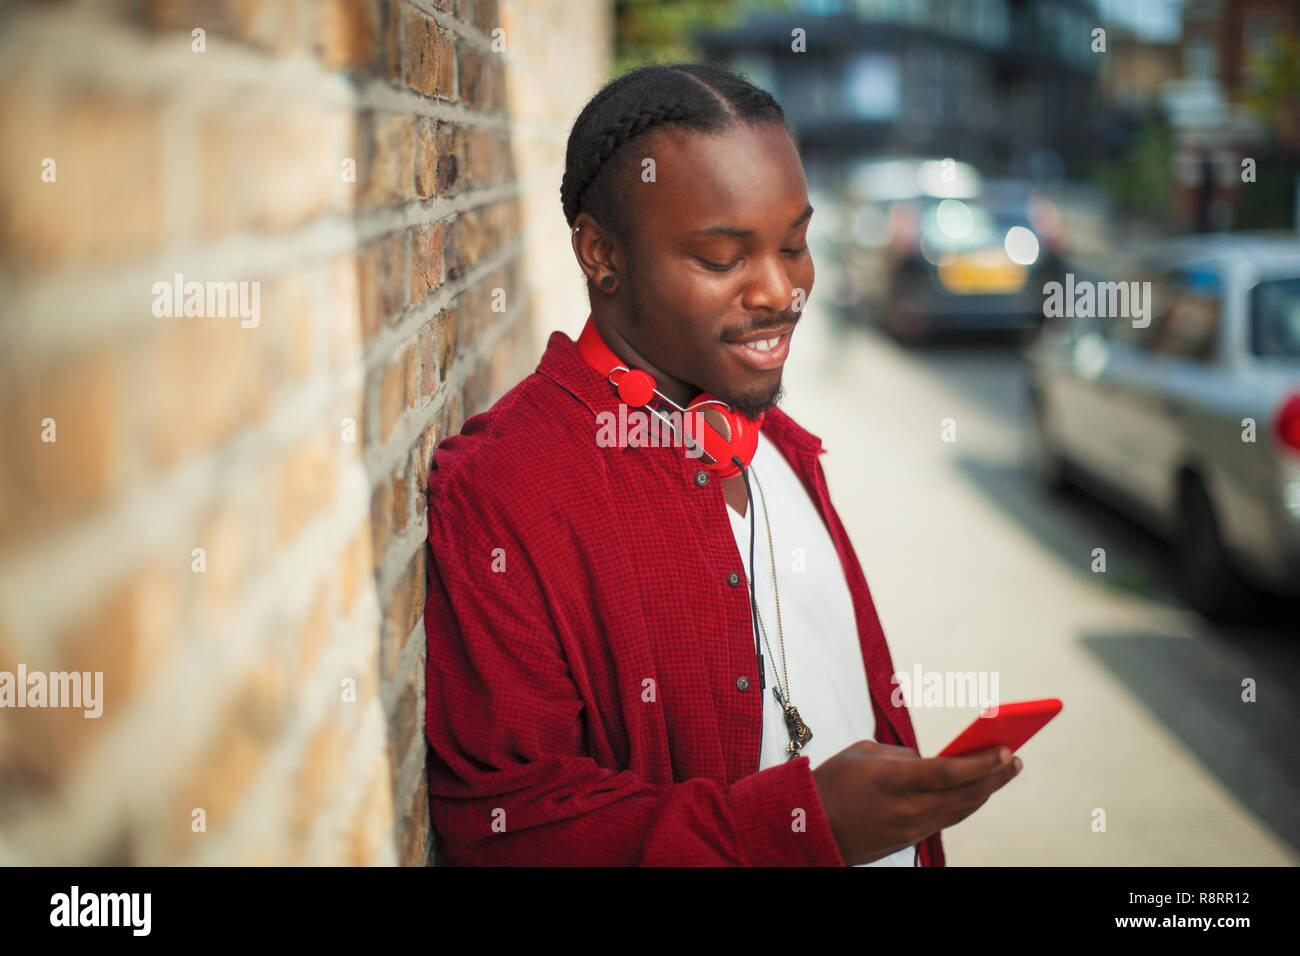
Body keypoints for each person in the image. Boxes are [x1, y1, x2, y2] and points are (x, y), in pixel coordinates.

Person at [422, 62, 1021, 866]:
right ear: (602, 254)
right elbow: (508, 826)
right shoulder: (504, 492)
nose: (781, 290)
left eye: (796, 243)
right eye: (720, 257)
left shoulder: (777, 439)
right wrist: (797, 828)